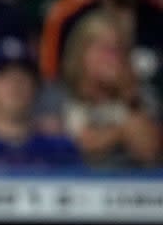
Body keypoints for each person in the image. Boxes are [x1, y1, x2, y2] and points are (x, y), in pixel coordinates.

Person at [40, 11, 162, 168]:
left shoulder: (141, 96)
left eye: (118, 50)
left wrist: (129, 93)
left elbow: (149, 151)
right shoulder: (55, 95)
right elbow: (72, 146)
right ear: (81, 52)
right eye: (104, 49)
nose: (112, 58)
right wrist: (121, 133)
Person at [0, 37, 83, 168]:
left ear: (37, 87)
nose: (14, 84)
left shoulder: (61, 150)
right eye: (4, 76)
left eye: (23, 77)